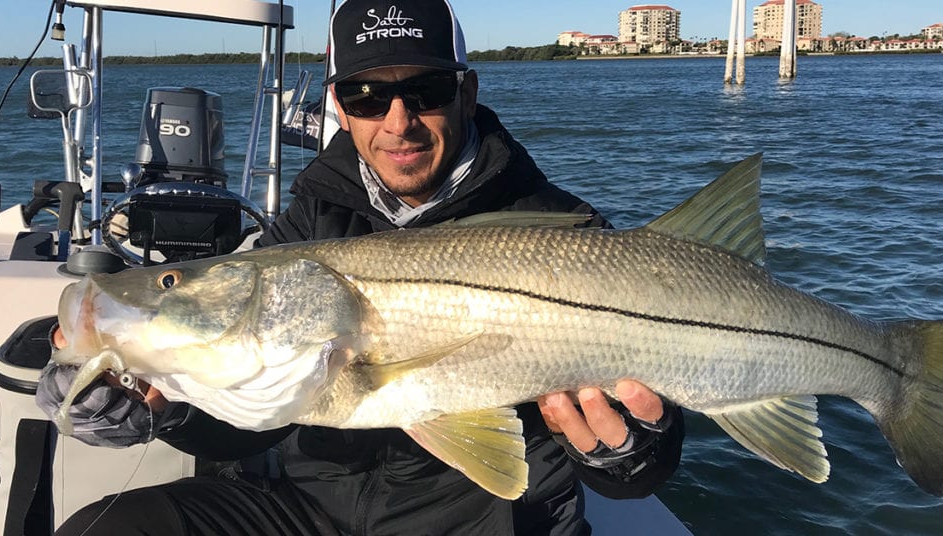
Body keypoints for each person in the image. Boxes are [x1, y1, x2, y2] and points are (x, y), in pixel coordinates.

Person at [37, 1, 684, 534]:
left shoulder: (566, 234)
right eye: (367, 96)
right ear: (339, 107)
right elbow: (252, 413)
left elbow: (643, 463)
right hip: (308, 511)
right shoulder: (311, 219)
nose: (398, 122)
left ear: (466, 92)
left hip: (488, 523)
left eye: (425, 91)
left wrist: (630, 454)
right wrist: (164, 407)